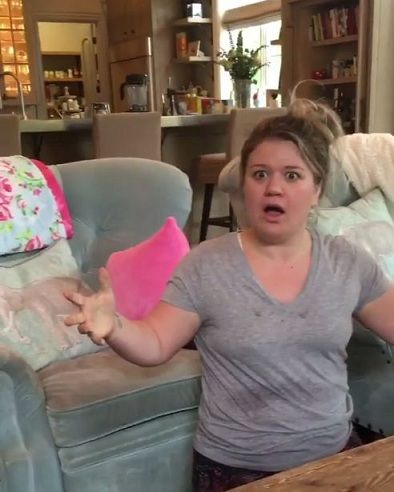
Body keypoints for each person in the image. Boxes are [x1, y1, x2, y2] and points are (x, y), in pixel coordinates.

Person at [64, 98, 394, 492]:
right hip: (235, 470)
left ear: (317, 188)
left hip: (334, 457)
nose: (274, 187)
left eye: (292, 175)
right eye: (260, 174)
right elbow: (154, 343)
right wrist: (114, 326)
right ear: (245, 186)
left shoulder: (347, 262)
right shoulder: (206, 265)